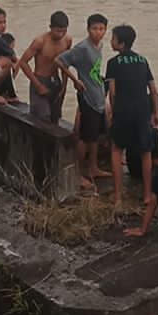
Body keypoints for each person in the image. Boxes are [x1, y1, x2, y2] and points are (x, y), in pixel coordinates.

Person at [105, 24, 158, 206]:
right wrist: (156, 112)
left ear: (120, 43)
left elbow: (112, 92)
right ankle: (147, 195)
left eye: (113, 39)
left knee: (117, 150)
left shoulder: (113, 63)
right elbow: (152, 89)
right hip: (142, 110)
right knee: (145, 152)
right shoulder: (143, 60)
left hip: (123, 110)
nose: (110, 41)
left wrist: (112, 111)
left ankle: (119, 196)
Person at [56, 14, 108, 189]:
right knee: (85, 137)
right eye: (94, 28)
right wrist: (75, 80)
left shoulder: (99, 45)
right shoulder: (83, 48)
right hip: (87, 97)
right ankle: (77, 174)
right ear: (88, 29)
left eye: (101, 29)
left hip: (98, 95)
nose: (98, 32)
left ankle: (93, 168)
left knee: (93, 136)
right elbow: (60, 61)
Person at [19, 11, 72, 123]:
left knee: (55, 117)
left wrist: (64, 86)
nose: (61, 34)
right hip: (40, 79)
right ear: (51, 28)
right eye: (58, 31)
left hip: (56, 81)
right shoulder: (40, 41)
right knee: (42, 118)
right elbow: (23, 62)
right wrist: (38, 85)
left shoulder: (67, 40)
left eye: (64, 31)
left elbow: (65, 64)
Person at [127, 94, 158, 178]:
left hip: (131, 168)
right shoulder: (155, 132)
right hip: (144, 172)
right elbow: (156, 162)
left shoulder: (133, 123)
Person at [0, 33, 19, 102]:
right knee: (14, 63)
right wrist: (13, 96)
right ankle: (7, 93)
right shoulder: (6, 58)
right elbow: (8, 75)